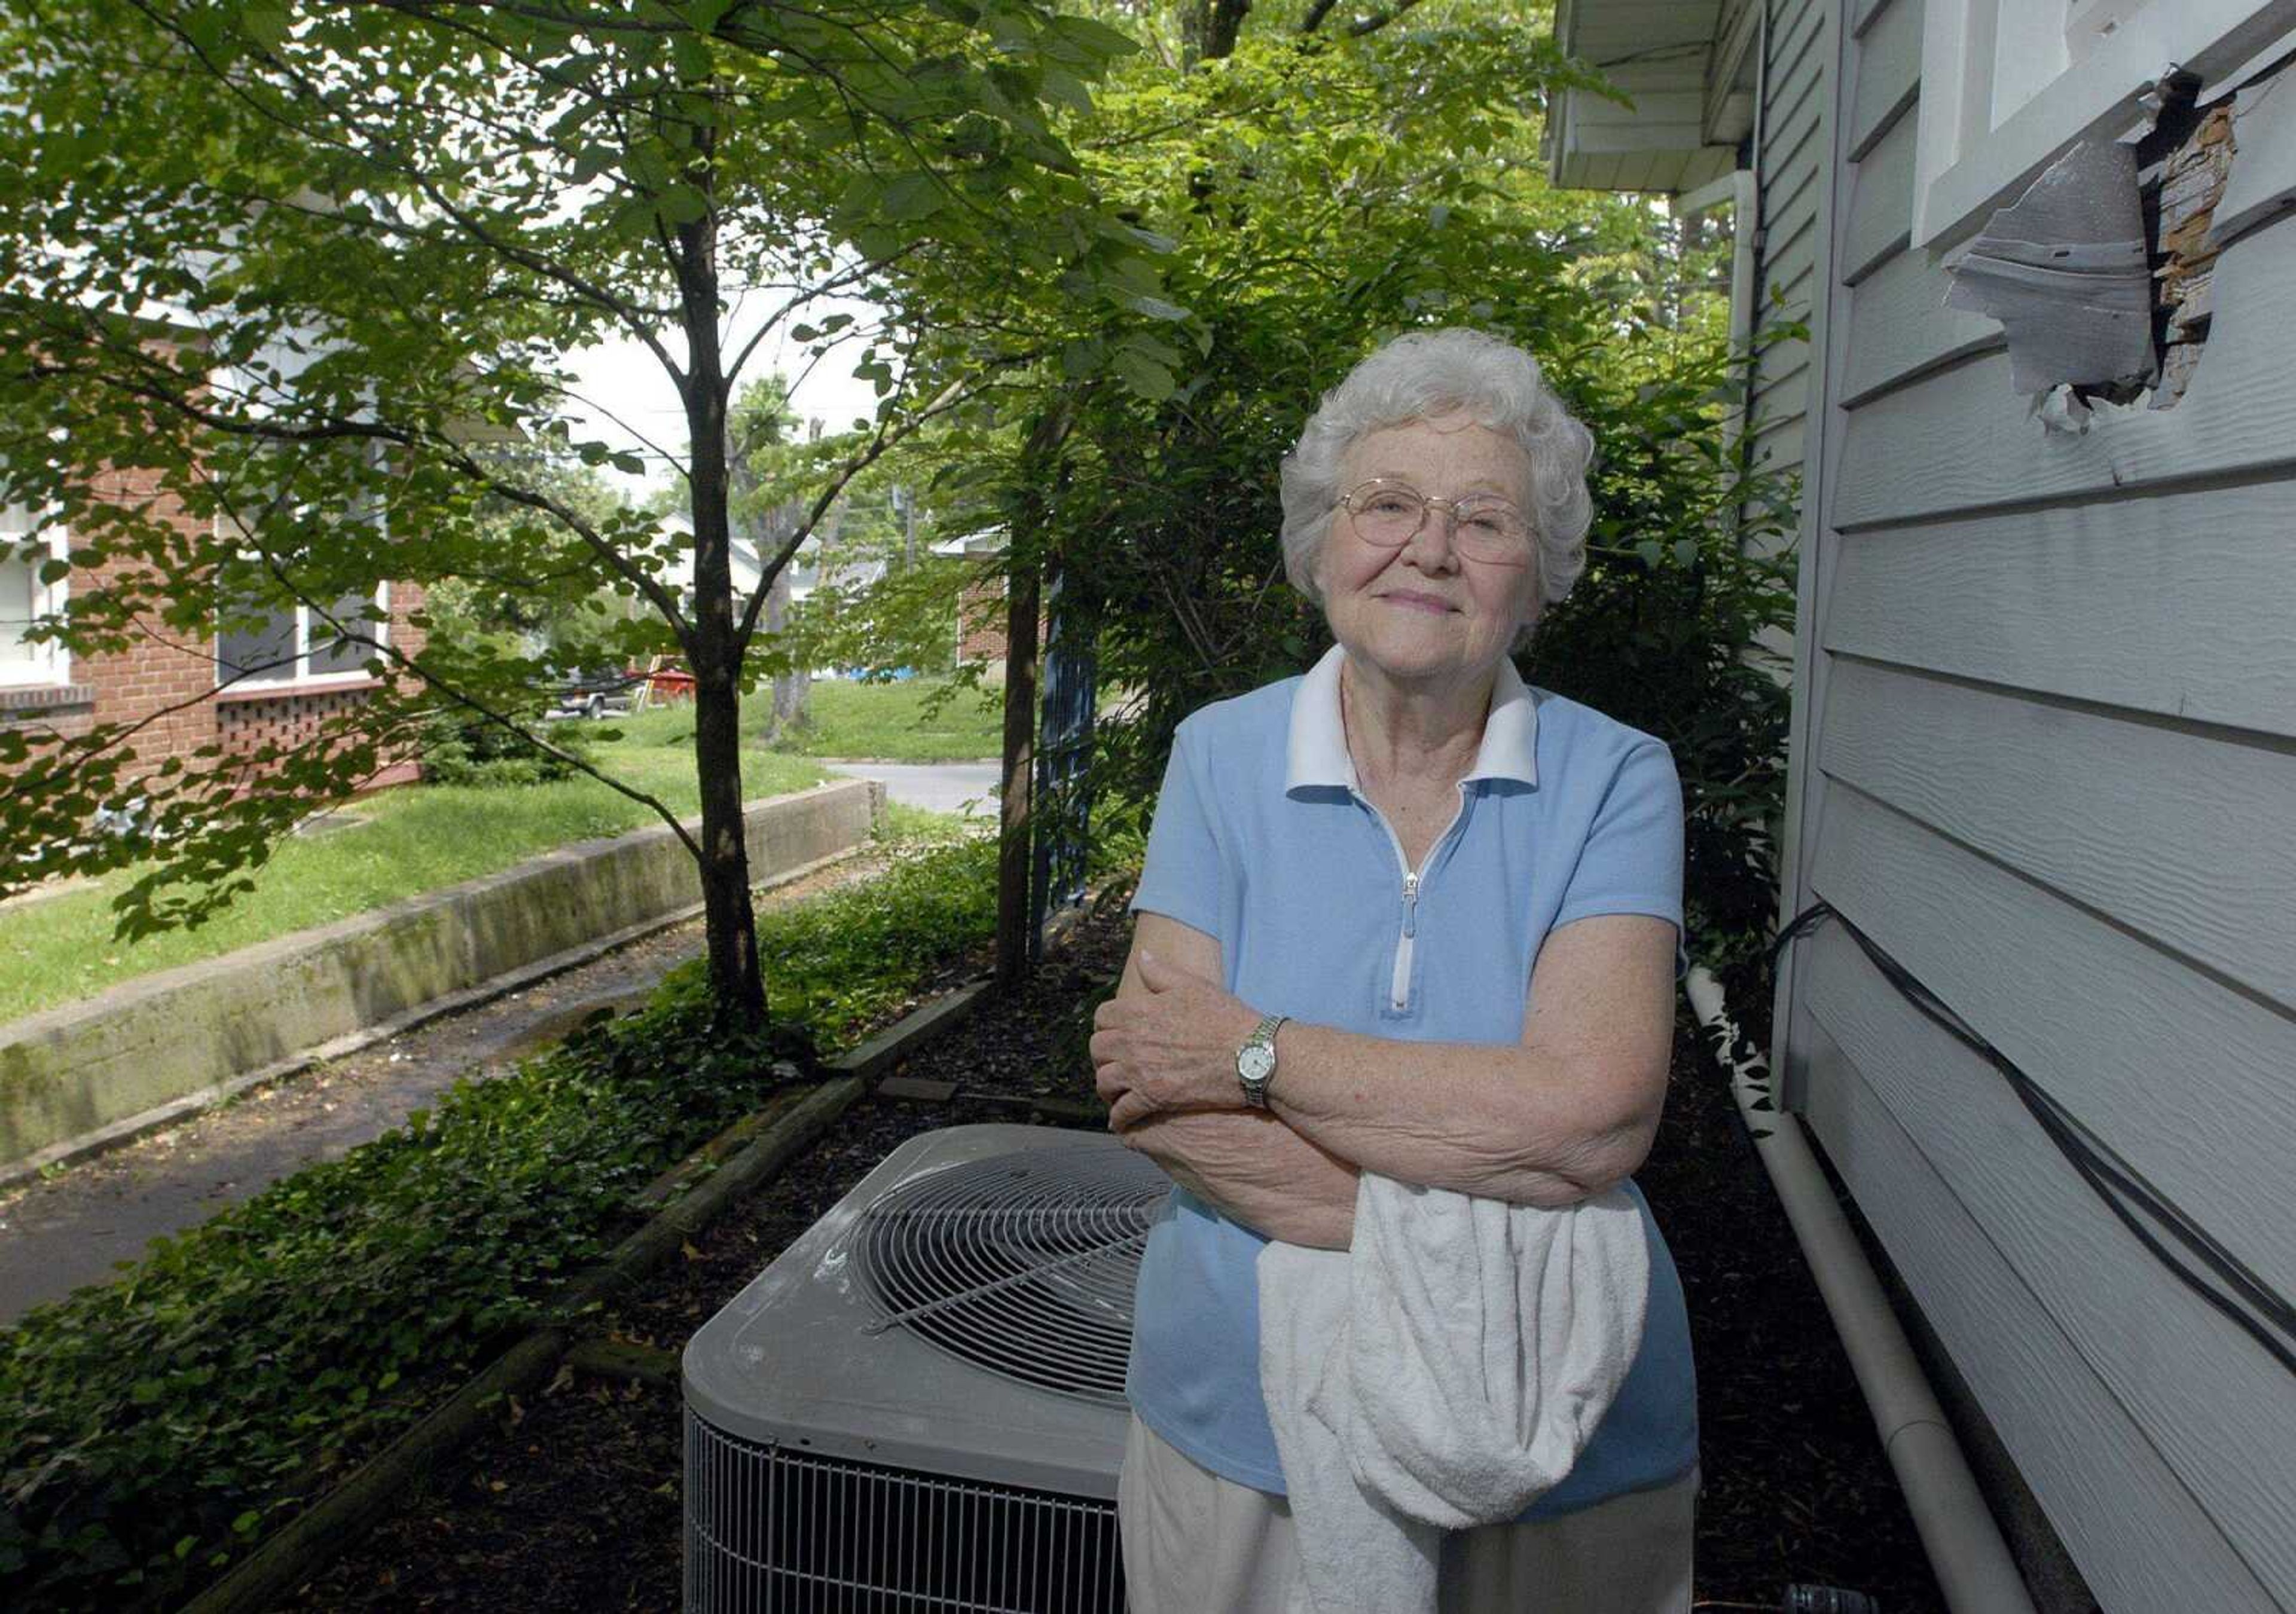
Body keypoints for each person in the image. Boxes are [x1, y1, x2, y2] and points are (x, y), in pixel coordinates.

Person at [1090, 328, 1697, 1612]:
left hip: (1565, 1424)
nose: (1430, 548)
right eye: (1388, 505)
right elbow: (1161, 1096)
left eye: (1485, 520)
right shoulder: (1219, 757)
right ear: (1323, 545)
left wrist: (1257, 1053)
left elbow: (1596, 1114)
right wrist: (1493, 1222)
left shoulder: (1616, 777)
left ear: (1538, 579)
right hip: (1239, 1418)